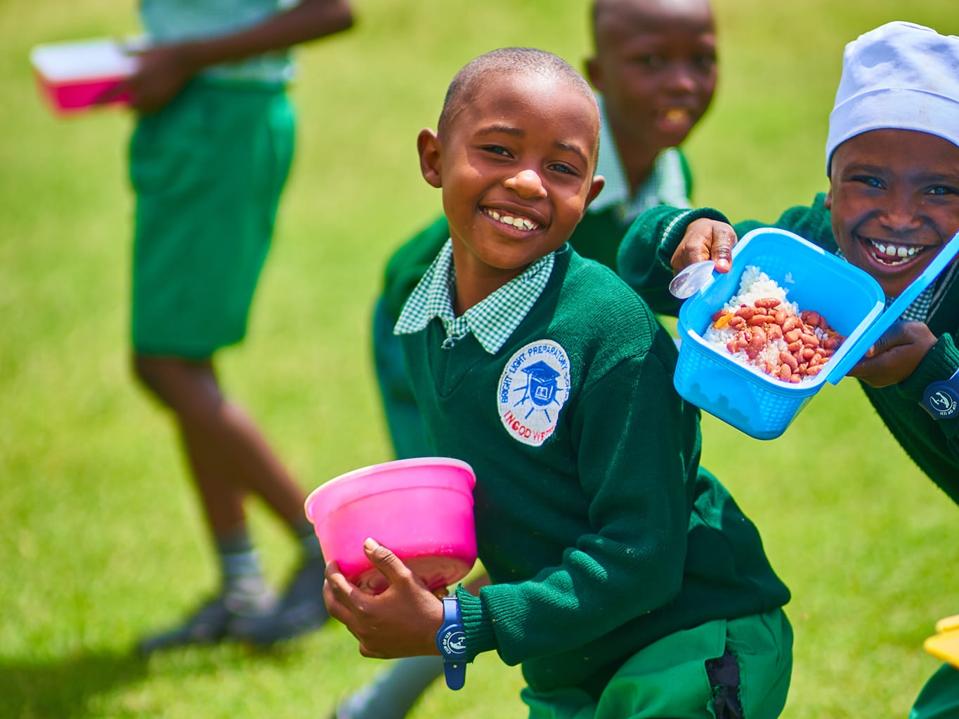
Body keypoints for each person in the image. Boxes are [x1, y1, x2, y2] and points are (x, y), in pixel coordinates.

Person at [325, 47, 793, 719]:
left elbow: (643, 553)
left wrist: (461, 623)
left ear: (588, 197)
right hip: (569, 666)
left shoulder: (609, 329)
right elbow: (514, 508)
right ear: (433, 158)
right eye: (497, 150)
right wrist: (401, 576)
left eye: (561, 168)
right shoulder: (424, 319)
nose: (526, 182)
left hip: (689, 641)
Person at [617, 21, 959, 719]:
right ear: (829, 189)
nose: (898, 216)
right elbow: (644, 265)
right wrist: (687, 234)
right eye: (868, 180)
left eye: (938, 190)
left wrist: (934, 380)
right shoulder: (814, 249)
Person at [372, 0, 717, 462]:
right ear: (599, 73)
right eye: (651, 61)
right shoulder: (537, 169)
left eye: (702, 60)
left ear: (590, 192)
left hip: (539, 351)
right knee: (448, 481)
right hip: (432, 338)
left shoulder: (671, 174)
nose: (681, 83)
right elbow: (412, 274)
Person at [123, 0, 354, 653]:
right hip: (195, 111)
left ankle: (319, 543)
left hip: (223, 118)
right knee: (179, 361)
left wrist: (185, 57)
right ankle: (241, 584)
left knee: (165, 361)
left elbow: (331, 12)